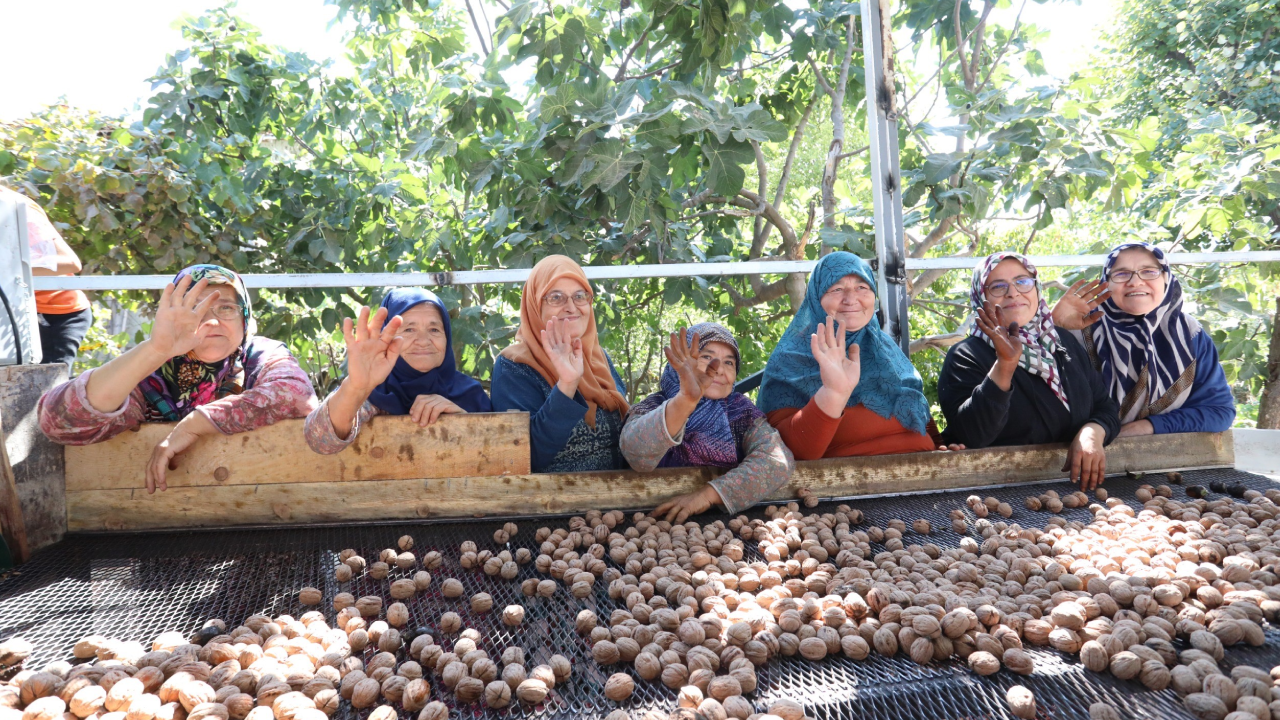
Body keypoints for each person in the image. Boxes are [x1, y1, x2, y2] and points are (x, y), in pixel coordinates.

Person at [37, 264, 317, 492]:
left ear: (245, 317)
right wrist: (157, 349)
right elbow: (60, 422)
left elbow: (297, 396)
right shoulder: (149, 371)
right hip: (166, 526)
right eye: (195, 309)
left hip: (264, 521)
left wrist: (196, 424)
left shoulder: (258, 354)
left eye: (226, 308)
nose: (213, 321)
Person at [937, 251, 1120, 489]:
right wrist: (1005, 365)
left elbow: (1105, 407)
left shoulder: (1061, 342)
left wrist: (1092, 432)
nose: (1013, 292)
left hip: (1073, 492)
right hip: (1000, 498)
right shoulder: (967, 355)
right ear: (981, 298)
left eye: (1022, 281)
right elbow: (973, 435)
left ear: (1037, 289)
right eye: (998, 286)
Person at [757, 251, 958, 459]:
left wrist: (941, 447)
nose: (851, 299)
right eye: (836, 289)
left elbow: (915, 406)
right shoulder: (791, 359)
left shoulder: (885, 348)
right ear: (816, 297)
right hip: (850, 485)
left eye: (862, 287)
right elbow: (786, 454)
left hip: (929, 478)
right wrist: (833, 393)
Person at [1052, 241, 1235, 435]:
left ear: (1166, 277)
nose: (1135, 282)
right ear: (1106, 283)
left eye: (1149, 271)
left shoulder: (1190, 335)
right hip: (1076, 455)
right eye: (1121, 273)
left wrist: (1149, 426)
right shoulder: (1076, 330)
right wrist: (1051, 328)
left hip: (1165, 459)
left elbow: (1219, 412)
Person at [620, 323, 794, 522]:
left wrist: (707, 496)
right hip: (651, 522)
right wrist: (685, 401)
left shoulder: (741, 413)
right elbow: (636, 454)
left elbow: (778, 462)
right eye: (706, 357)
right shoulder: (653, 407)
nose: (718, 369)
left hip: (723, 527)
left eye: (729, 362)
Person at [305, 288, 492, 453]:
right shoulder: (372, 391)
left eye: (434, 329)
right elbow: (320, 442)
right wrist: (355, 387)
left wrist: (462, 422)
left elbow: (498, 457)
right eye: (409, 329)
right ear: (387, 337)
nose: (423, 340)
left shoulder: (470, 394)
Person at [490, 255, 630, 473]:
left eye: (580, 296)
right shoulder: (514, 365)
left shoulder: (598, 357)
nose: (571, 307)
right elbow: (524, 458)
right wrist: (566, 385)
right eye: (556, 297)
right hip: (553, 502)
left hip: (625, 501)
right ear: (535, 306)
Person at [2, 187, 92, 368]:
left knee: (42, 391)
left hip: (55, 314)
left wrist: (7, 269)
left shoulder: (15, 208)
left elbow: (69, 262)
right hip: (12, 313)